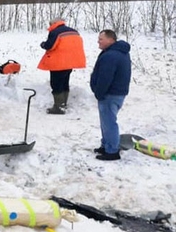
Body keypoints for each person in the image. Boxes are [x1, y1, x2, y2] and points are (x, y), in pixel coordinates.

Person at [90, 30, 131, 161]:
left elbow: (105, 77)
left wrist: (99, 92)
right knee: (106, 121)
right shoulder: (118, 52)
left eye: (101, 39)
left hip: (110, 94)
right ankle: (106, 145)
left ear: (110, 40)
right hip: (116, 92)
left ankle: (112, 151)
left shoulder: (111, 56)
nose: (98, 41)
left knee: (109, 122)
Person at [37, 18, 86, 114]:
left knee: (56, 84)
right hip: (71, 61)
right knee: (65, 82)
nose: (50, 27)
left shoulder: (55, 32)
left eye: (50, 24)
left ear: (54, 24)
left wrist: (43, 44)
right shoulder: (74, 31)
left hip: (58, 62)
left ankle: (58, 107)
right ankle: (63, 104)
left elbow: (50, 46)